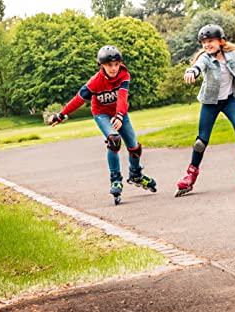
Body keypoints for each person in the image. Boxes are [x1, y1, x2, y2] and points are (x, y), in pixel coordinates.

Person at [48, 45, 157, 205]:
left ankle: (135, 174)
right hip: (102, 114)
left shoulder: (124, 75)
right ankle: (115, 179)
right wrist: (61, 115)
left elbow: (122, 97)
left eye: (116, 64)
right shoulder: (95, 82)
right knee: (114, 140)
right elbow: (78, 99)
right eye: (109, 65)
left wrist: (120, 115)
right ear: (102, 66)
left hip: (120, 113)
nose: (113, 69)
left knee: (135, 148)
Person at [175, 24, 235, 197]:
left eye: (210, 41)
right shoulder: (205, 58)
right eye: (204, 42)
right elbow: (197, 66)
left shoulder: (232, 55)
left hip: (229, 100)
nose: (207, 45)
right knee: (200, 142)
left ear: (220, 41)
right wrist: (191, 71)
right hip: (210, 103)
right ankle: (191, 174)